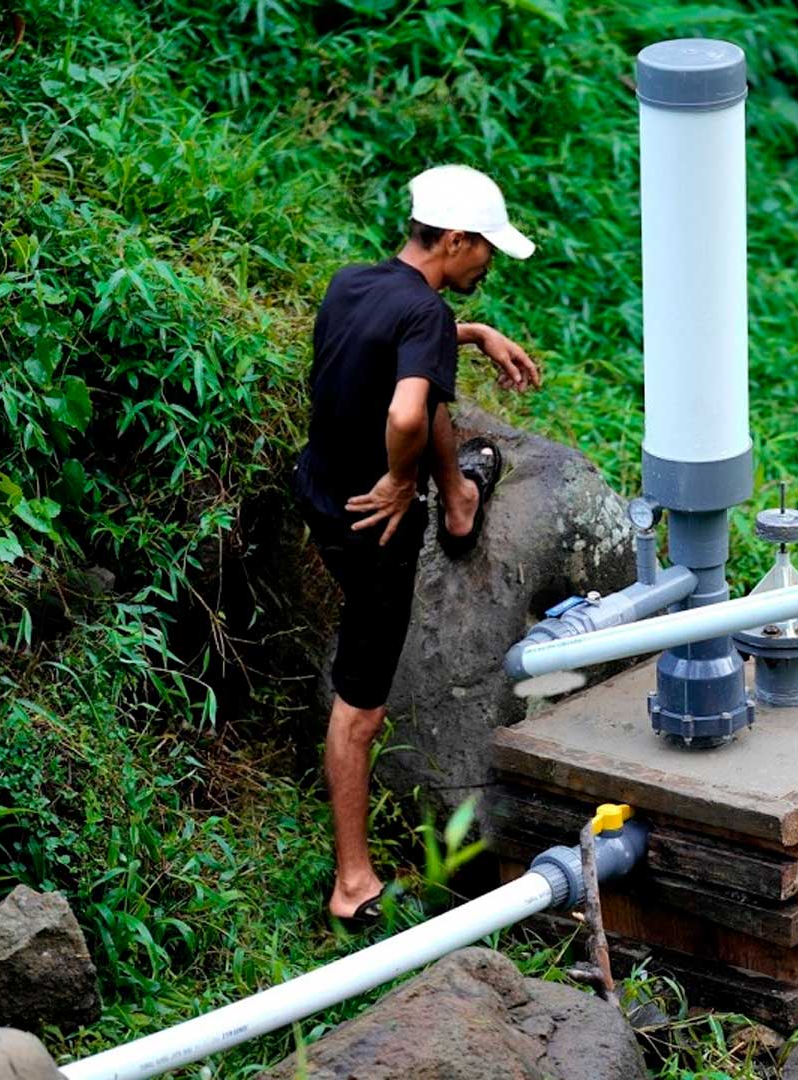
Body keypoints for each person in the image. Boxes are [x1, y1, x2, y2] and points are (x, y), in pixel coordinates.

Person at [292, 164, 542, 925]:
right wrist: (403, 481)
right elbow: (404, 414)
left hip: (320, 487)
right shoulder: (423, 319)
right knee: (360, 710)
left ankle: (458, 498)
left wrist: (467, 333)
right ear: (457, 240)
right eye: (486, 249)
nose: (489, 264)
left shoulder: (355, 283)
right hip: (372, 527)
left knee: (430, 390)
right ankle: (353, 885)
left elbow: (387, 351)